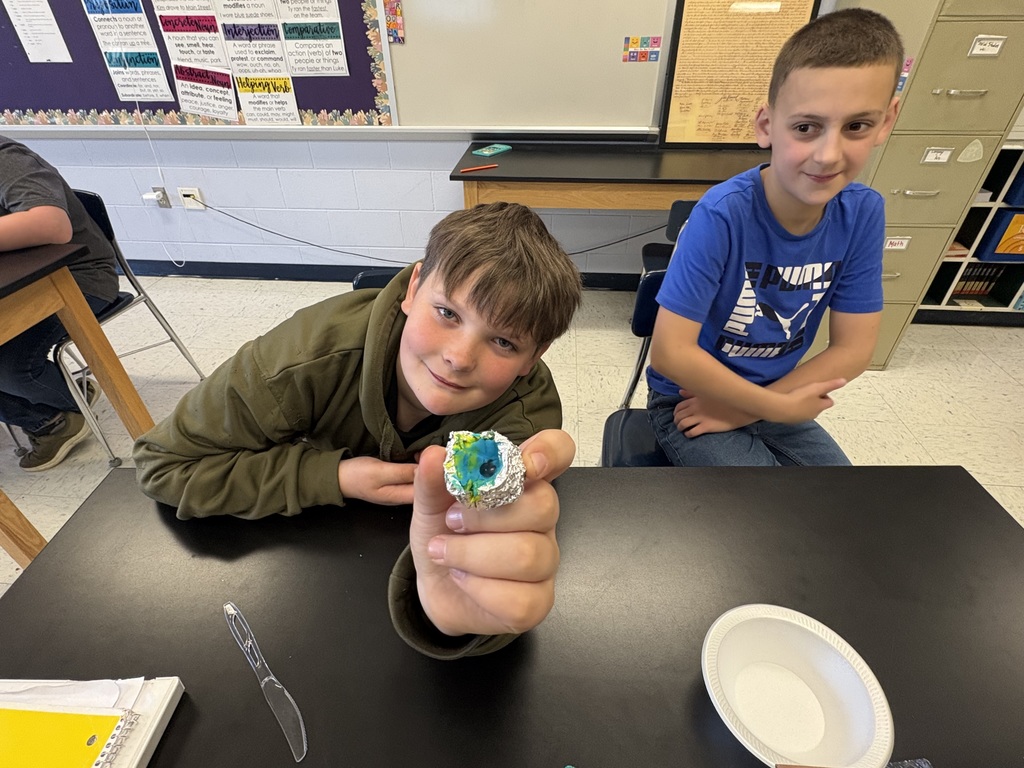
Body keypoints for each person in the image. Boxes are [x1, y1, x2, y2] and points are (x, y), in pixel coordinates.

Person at [134, 201, 583, 659]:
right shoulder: (302, 358)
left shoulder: (523, 420)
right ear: (413, 287)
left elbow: (501, 559)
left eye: (504, 342)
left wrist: (464, 615)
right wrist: (333, 476)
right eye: (447, 313)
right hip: (289, 588)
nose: (460, 357)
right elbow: (162, 463)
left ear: (535, 357)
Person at [647, 8, 903, 467]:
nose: (828, 155)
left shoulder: (863, 213)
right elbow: (669, 352)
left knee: (846, 500)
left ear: (887, 121)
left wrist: (756, 407)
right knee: (768, 512)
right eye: (806, 128)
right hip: (692, 400)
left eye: (856, 126)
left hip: (771, 396)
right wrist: (773, 408)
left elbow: (853, 347)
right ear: (766, 125)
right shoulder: (722, 215)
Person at [0, 135, 118, 471]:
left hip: (76, 279)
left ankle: (55, 413)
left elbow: (51, 224)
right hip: (17, 285)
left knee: (10, 369)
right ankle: (56, 405)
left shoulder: (6, 157)